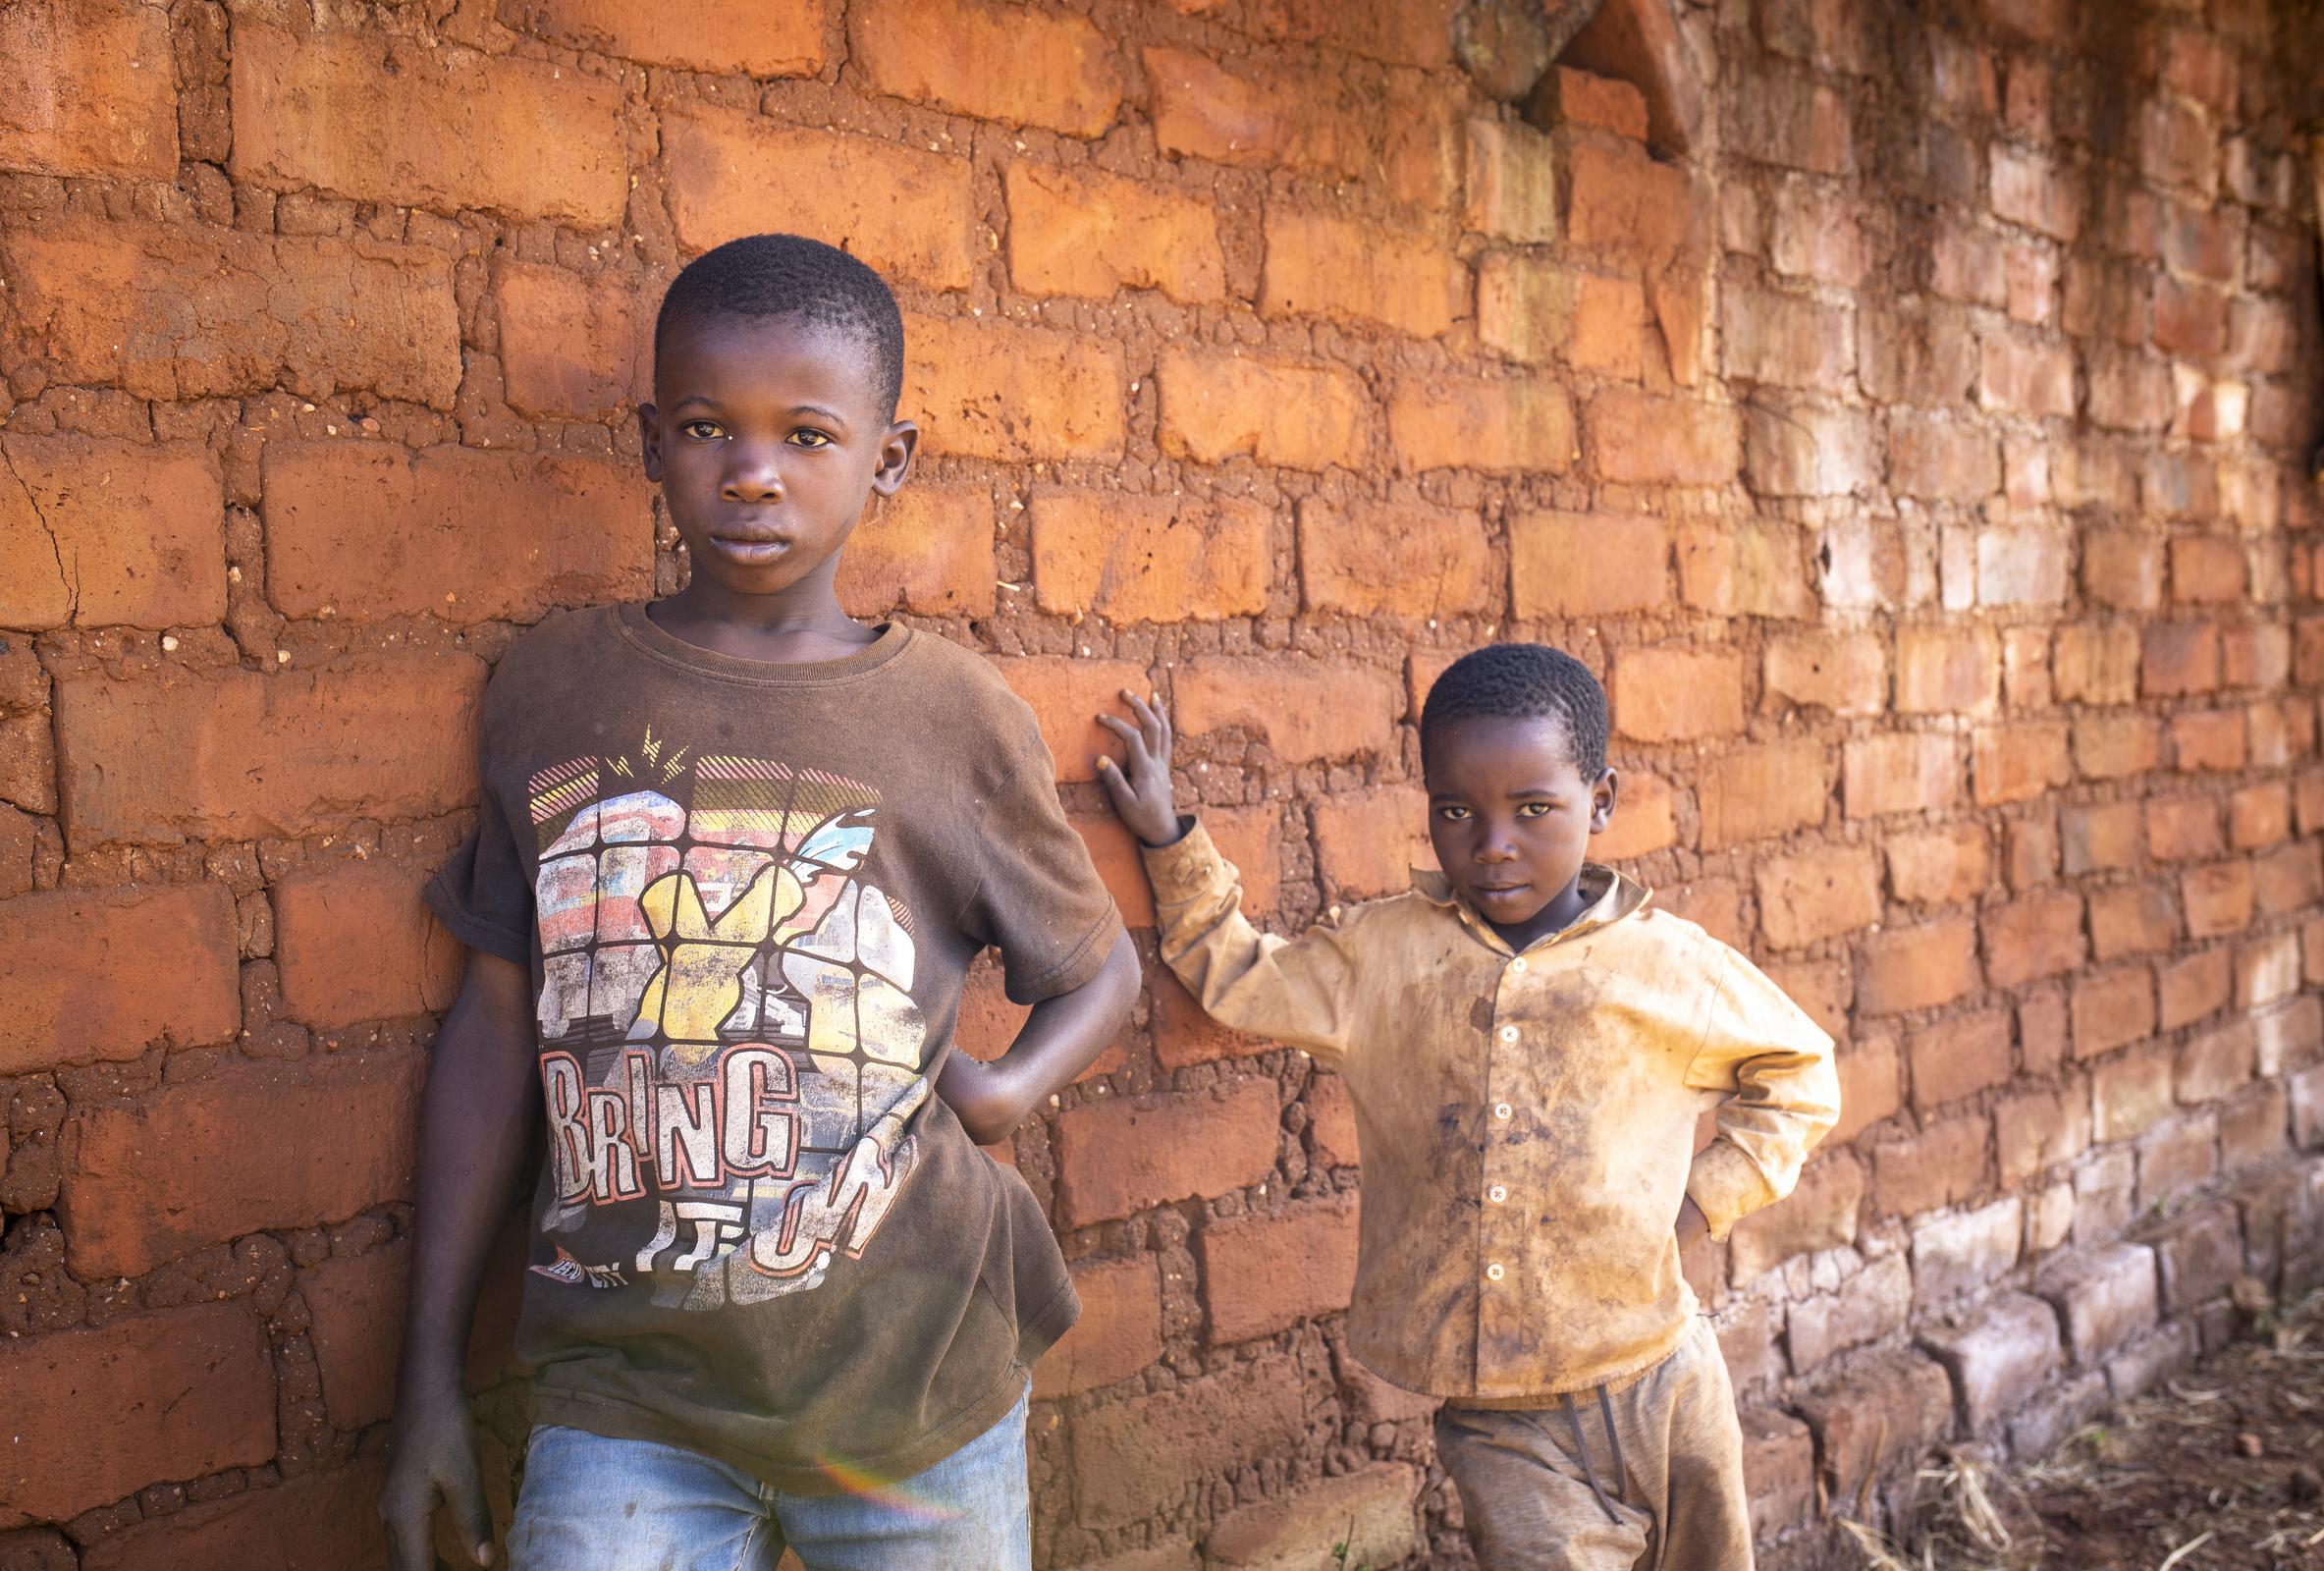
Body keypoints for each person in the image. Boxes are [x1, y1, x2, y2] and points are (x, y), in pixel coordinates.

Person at [378, 233, 1139, 1571]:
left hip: (915, 1379)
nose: (752, 472)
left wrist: (1010, 1089)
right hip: (628, 1394)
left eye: (806, 435)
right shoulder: (555, 689)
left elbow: (1099, 969)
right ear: (649, 442)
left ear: (888, 459)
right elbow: (496, 1023)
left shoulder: (949, 716)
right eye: (703, 428)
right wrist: (427, 1375)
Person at [1095, 643, 1838, 1571]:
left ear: (1601, 800)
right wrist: (1168, 838)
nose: (1492, 845)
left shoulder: (1668, 966)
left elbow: (1802, 1072)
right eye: (1456, 811)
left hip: (1667, 1382)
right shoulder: (1383, 958)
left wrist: (1696, 1206)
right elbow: (1240, 976)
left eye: (1534, 809)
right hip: (1501, 1421)